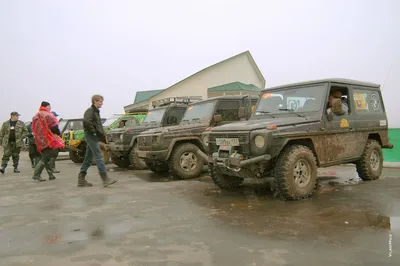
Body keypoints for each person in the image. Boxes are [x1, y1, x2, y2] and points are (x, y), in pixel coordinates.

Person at [77, 94, 117, 187]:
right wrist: (94, 132)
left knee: (88, 158)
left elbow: (97, 125)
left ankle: (81, 179)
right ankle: (105, 179)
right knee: (99, 156)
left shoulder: (95, 112)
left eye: (102, 101)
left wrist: (101, 135)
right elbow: (87, 122)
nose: (101, 103)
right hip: (90, 136)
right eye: (100, 101)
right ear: (95, 101)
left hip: (93, 136)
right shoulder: (90, 111)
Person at [31, 101, 64, 182]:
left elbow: (33, 128)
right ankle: (36, 174)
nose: (50, 108)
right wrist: (58, 133)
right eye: (49, 106)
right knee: (46, 157)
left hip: (40, 140)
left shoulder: (36, 115)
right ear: (46, 106)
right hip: (48, 139)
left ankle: (51, 175)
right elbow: (54, 127)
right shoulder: (48, 114)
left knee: (46, 156)